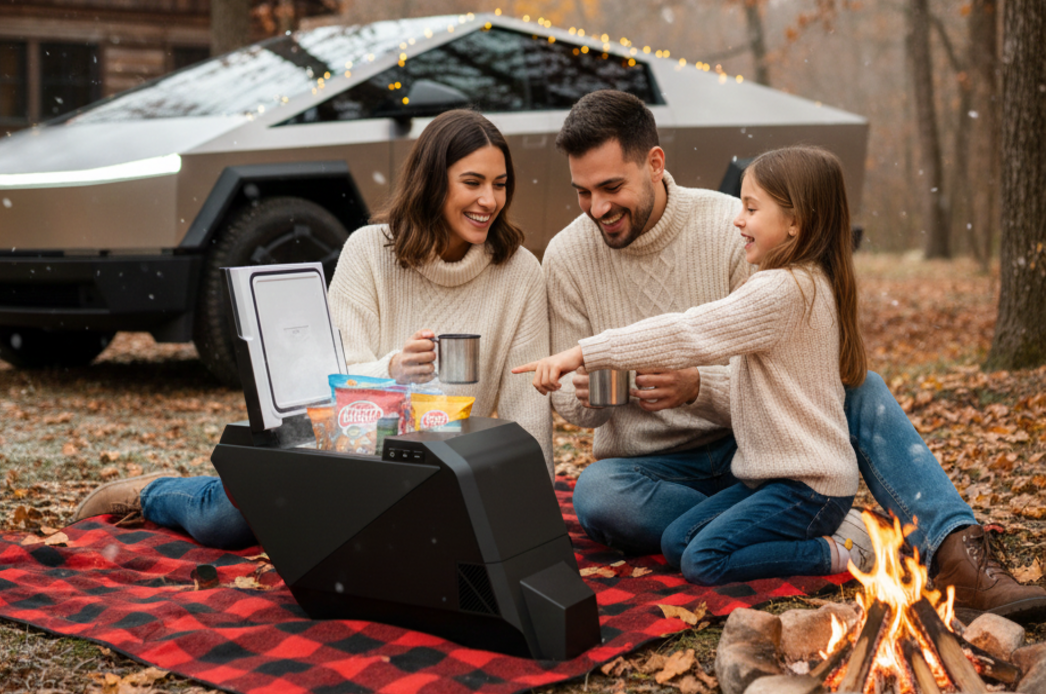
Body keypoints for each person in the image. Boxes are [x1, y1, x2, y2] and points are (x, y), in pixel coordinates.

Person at [539, 89, 1046, 616]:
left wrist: (696, 387)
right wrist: (602, 391)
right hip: (657, 468)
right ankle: (806, 526)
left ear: (654, 164)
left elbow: (761, 353)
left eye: (611, 187)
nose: (598, 208)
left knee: (860, 386)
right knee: (599, 494)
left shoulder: (732, 225)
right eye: (583, 192)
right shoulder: (567, 256)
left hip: (759, 433)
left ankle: (957, 552)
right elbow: (575, 410)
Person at [71, 109, 552, 547]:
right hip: (358, 460)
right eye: (472, 182)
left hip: (456, 471)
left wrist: (534, 514)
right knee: (227, 523)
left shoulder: (520, 272)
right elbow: (325, 384)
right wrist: (394, 369)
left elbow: (526, 415)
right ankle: (153, 492)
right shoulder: (370, 252)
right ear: (433, 182)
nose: (489, 200)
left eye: (501, 184)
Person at [520, 146, 864, 584]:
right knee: (677, 542)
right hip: (760, 475)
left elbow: (689, 331)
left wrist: (584, 353)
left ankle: (838, 551)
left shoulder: (782, 291)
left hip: (805, 484)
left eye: (752, 209)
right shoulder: (795, 282)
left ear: (795, 222)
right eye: (742, 206)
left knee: (702, 560)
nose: (738, 219)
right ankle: (770, 529)